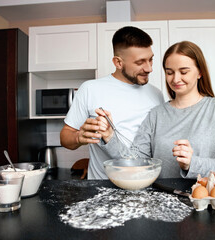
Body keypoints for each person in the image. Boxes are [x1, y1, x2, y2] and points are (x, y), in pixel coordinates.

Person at [96, 41, 215, 178]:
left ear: (200, 73)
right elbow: (136, 162)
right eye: (169, 72)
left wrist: (192, 164)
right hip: (160, 197)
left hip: (204, 197)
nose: (176, 79)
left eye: (183, 71)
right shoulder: (156, 115)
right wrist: (109, 137)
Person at [60, 26, 165, 179]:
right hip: (102, 187)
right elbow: (65, 137)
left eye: (150, 59)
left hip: (144, 183)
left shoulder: (156, 94)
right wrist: (78, 137)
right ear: (118, 62)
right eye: (140, 62)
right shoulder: (90, 89)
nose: (149, 68)